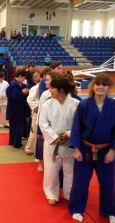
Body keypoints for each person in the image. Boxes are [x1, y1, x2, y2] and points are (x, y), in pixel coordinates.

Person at [68, 74, 115, 223]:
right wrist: (75, 148)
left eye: (104, 85)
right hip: (85, 150)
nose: (100, 87)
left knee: (107, 183)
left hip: (106, 151)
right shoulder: (84, 105)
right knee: (80, 181)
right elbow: (76, 127)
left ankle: (109, 211)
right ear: (93, 86)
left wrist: (113, 150)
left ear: (108, 88)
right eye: (98, 84)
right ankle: (77, 208)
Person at [39, 75, 80, 205]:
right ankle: (51, 194)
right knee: (51, 170)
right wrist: (55, 137)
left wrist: (68, 134)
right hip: (52, 143)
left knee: (70, 171)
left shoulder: (76, 104)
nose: (50, 90)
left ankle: (69, 194)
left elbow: (80, 124)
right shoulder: (48, 104)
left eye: (52, 88)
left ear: (61, 90)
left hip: (69, 142)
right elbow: (43, 123)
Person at [6, 69, 29, 148]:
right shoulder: (14, 84)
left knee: (13, 127)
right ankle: (17, 143)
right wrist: (22, 92)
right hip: (15, 110)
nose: (24, 80)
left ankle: (12, 141)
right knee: (18, 127)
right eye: (23, 78)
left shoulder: (17, 84)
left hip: (15, 109)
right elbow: (14, 96)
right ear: (19, 76)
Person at [24, 69, 41, 155]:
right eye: (35, 76)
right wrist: (35, 108)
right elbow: (30, 100)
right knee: (34, 130)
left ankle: (38, 147)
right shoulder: (34, 87)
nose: (37, 77)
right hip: (36, 110)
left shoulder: (42, 85)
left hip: (43, 110)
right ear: (32, 78)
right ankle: (29, 147)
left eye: (38, 75)